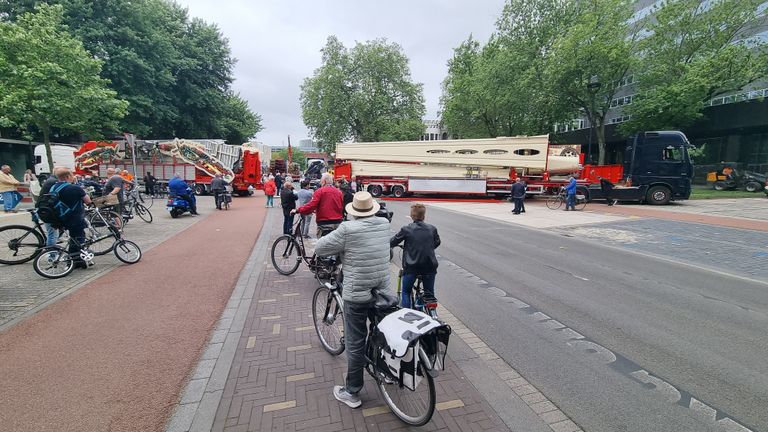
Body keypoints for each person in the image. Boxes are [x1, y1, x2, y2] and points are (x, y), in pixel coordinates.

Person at [314, 191, 393, 409]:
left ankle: (352, 392)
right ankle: (387, 372)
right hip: (383, 291)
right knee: (383, 332)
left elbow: (320, 248)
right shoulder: (383, 224)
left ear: (354, 212)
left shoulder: (347, 229)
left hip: (357, 293)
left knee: (356, 340)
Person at [390, 203, 440, 308]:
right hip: (430, 266)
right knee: (429, 293)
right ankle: (430, 313)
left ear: (412, 216)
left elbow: (392, 242)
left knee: (406, 292)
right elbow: (437, 242)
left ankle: (407, 316)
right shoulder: (432, 229)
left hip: (411, 267)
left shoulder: (406, 229)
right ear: (424, 216)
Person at [51, 168, 92, 269]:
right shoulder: (75, 188)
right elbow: (88, 201)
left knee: (74, 238)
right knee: (79, 239)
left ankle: (74, 261)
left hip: (60, 218)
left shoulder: (53, 187)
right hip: (75, 217)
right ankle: (76, 261)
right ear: (68, 176)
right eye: (72, 175)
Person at [293, 173, 343, 238]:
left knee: (323, 246)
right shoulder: (339, 192)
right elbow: (341, 206)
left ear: (324, 181)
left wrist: (298, 210)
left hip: (324, 223)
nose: (320, 183)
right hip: (338, 222)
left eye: (321, 181)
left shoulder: (319, 191)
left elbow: (312, 205)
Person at [38, 167, 65, 246]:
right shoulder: (55, 181)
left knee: (54, 231)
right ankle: (51, 255)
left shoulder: (51, 179)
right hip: (46, 208)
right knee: (52, 234)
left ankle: (56, 240)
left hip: (44, 206)